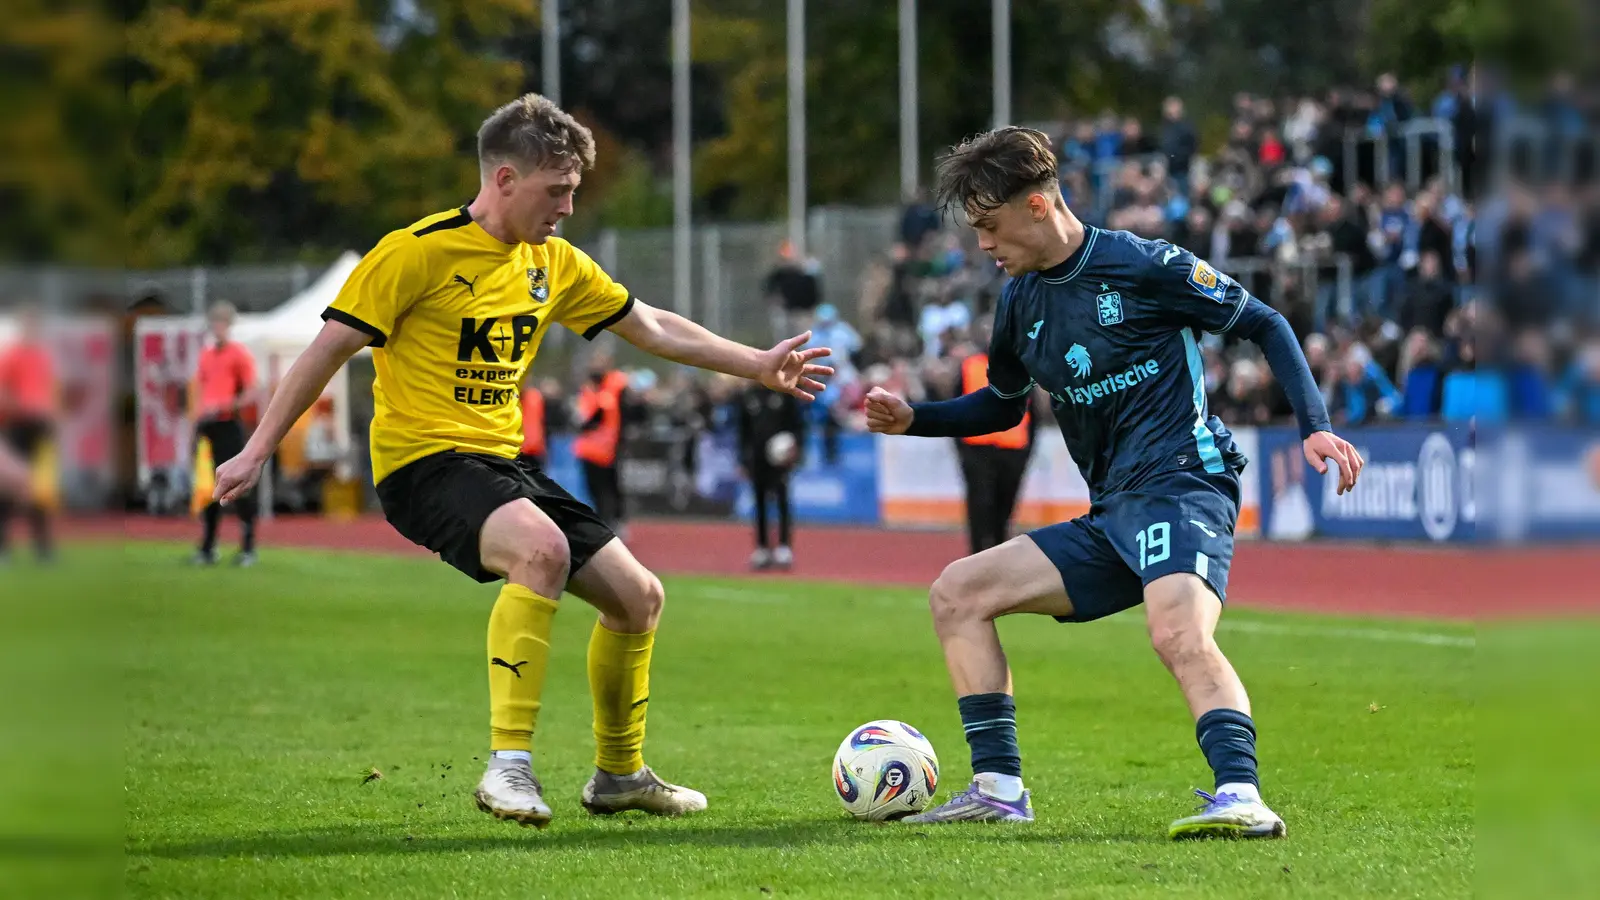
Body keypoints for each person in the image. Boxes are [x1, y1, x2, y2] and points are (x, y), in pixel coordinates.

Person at [211, 93, 832, 829]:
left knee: (639, 598)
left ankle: (620, 775)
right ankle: (509, 768)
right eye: (556, 191)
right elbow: (327, 350)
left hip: (505, 465)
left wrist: (756, 362)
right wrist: (256, 450)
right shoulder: (413, 252)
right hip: (423, 462)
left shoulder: (552, 262)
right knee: (539, 551)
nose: (568, 207)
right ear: (504, 179)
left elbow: (651, 324)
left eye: (573, 191)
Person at [865, 127, 1363, 838]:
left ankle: (1242, 795)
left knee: (1176, 632)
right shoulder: (1019, 303)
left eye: (990, 225)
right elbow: (1002, 405)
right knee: (957, 593)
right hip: (1112, 513)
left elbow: (1266, 323)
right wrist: (915, 418)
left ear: (1037, 206)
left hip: (1185, 482)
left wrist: (1314, 422)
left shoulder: (1143, 264)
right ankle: (998, 787)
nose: (982, 244)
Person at [955, 322, 1035, 555]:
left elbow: (1033, 415)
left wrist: (1027, 450)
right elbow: (955, 406)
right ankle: (977, 555)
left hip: (1013, 449)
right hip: (977, 448)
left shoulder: (1022, 367)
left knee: (1005, 506)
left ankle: (998, 555)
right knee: (980, 505)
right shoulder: (969, 366)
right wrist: (962, 448)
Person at [191, 301, 260, 566]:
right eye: (214, 322)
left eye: (222, 323)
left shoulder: (238, 354)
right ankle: (208, 547)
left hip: (228, 423)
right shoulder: (206, 355)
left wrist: (225, 405)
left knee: (237, 484)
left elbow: (252, 391)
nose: (217, 327)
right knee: (206, 486)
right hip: (207, 427)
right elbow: (200, 389)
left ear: (229, 326)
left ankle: (248, 548)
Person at [0, 304, 57, 562]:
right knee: (10, 487)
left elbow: (47, 392)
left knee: (40, 488)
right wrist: (22, 408)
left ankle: (42, 547)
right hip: (17, 425)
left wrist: (48, 415)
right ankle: (4, 547)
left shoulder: (41, 357)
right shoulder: (10, 355)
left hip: (39, 426)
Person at [736, 379, 807, 570]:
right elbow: (743, 431)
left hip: (780, 461)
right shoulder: (748, 396)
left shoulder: (785, 394)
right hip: (756, 459)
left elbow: (798, 426)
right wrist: (742, 460)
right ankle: (761, 547)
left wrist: (796, 449)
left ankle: (784, 546)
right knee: (759, 503)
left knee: (782, 501)